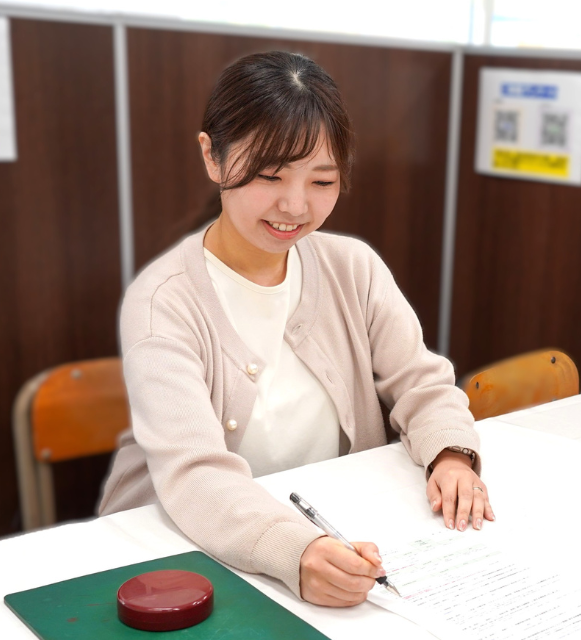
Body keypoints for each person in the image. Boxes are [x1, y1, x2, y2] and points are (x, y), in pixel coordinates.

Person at [98, 51, 493, 607]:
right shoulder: (163, 302)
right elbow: (195, 476)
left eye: (322, 180)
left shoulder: (352, 268)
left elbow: (421, 382)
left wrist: (450, 452)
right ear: (213, 156)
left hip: (329, 533)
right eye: (269, 175)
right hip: (181, 555)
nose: (295, 205)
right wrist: (295, 551)